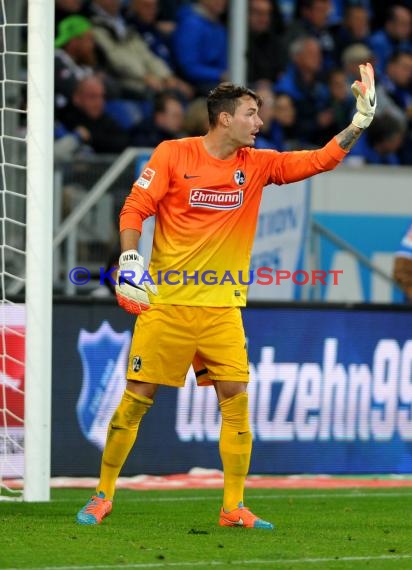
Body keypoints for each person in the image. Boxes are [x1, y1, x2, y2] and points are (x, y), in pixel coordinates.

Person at [76, 63, 377, 528]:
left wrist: (357, 124)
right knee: (136, 397)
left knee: (236, 398)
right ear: (224, 119)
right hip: (168, 305)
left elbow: (319, 159)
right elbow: (136, 206)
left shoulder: (256, 166)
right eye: (252, 114)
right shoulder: (173, 154)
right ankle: (102, 494)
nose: (260, 123)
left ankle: (233, 507)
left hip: (221, 310)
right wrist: (131, 257)